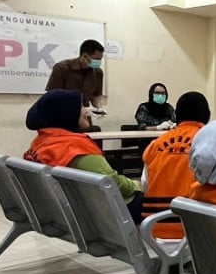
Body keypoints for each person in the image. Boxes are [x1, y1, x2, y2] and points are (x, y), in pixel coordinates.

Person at [23, 89, 143, 224]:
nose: (86, 112)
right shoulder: (74, 148)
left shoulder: (41, 143)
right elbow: (112, 183)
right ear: (66, 113)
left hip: (74, 212)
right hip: (111, 212)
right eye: (81, 107)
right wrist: (136, 185)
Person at [141, 91, 211, 238]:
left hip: (153, 231)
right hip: (194, 233)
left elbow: (145, 185)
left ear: (176, 115)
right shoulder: (210, 142)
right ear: (207, 115)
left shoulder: (155, 145)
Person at [46, 39, 106, 128]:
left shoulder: (98, 72)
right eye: (97, 59)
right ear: (85, 56)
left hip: (84, 119)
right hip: (62, 118)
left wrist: (99, 108)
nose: (99, 62)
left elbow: (96, 97)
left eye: (100, 59)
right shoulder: (62, 68)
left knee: (87, 136)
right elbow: (52, 98)